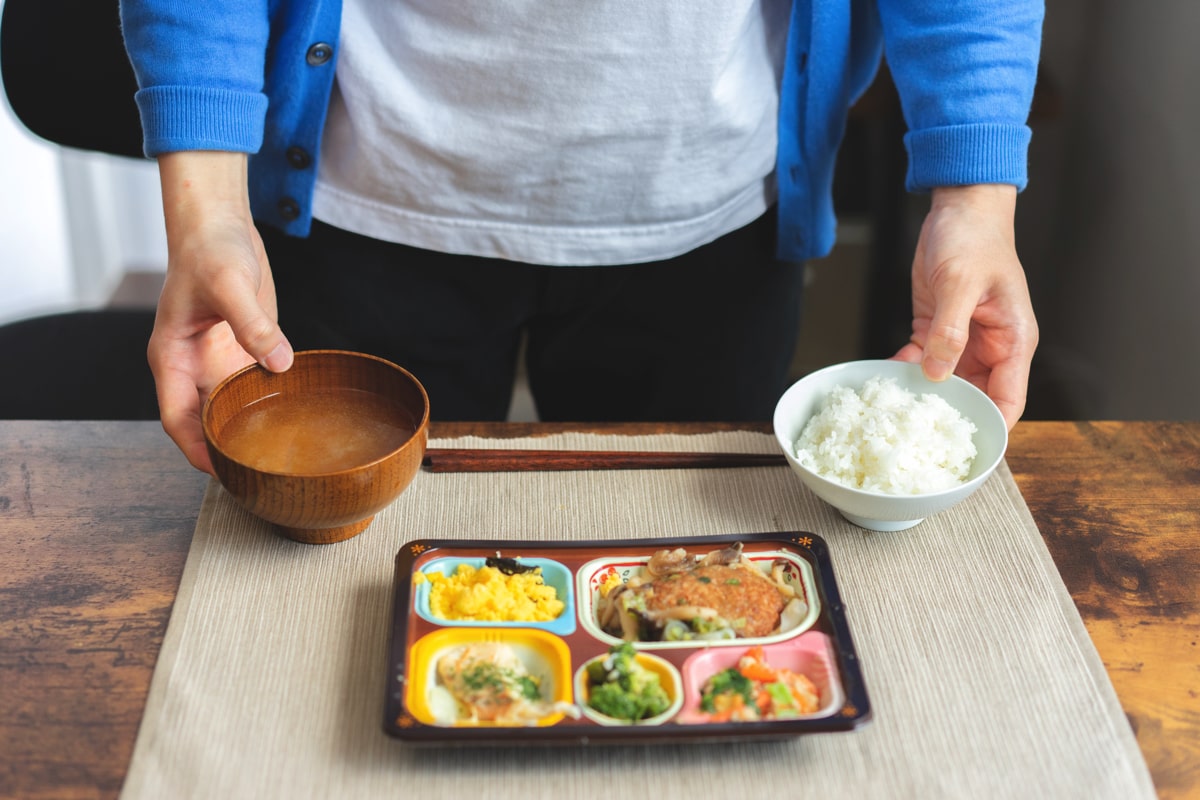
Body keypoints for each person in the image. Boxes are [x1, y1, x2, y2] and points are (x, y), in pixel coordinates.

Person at [119, 1, 1043, 474]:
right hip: (363, 199)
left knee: (695, 592)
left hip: (711, 222)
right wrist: (209, 215)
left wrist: (976, 201)